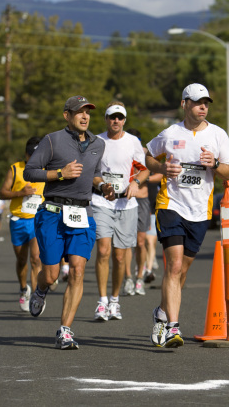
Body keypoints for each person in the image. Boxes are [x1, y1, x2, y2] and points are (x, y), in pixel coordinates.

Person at [145, 83, 229, 348]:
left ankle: (162, 312)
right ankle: (173, 328)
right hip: (171, 205)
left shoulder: (218, 135)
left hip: (199, 211)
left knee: (182, 271)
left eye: (206, 103)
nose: (203, 107)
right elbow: (148, 156)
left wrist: (216, 165)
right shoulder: (170, 132)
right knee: (173, 267)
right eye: (198, 102)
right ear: (184, 103)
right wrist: (163, 168)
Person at [23, 95, 114, 350]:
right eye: (79, 112)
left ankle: (65, 331)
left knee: (77, 269)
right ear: (67, 115)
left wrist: (104, 185)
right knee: (51, 275)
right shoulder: (52, 140)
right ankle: (41, 289)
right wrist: (59, 174)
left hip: (83, 214)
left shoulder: (98, 144)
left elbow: (94, 174)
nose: (85, 117)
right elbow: (30, 171)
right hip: (53, 211)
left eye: (88, 112)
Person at [92, 102, 149, 321]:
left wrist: (136, 184)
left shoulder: (133, 142)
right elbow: (93, 172)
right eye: (111, 117)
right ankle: (102, 301)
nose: (115, 121)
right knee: (104, 250)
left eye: (119, 117)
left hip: (126, 204)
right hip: (102, 202)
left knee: (119, 255)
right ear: (106, 119)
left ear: (124, 120)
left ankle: (115, 300)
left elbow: (143, 170)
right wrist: (102, 186)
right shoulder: (97, 141)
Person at [0, 137, 44, 312]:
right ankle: (24, 288)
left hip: (37, 219)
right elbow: (3, 193)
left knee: (36, 258)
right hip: (18, 221)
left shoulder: (46, 170)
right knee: (21, 260)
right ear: (26, 153)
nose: (33, 158)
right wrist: (20, 193)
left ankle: (35, 296)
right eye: (31, 155)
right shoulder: (15, 169)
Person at [122, 128, 151, 297]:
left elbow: (153, 174)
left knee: (141, 242)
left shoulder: (145, 155)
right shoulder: (122, 151)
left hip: (141, 201)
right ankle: (128, 277)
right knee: (126, 243)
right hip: (125, 199)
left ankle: (139, 277)